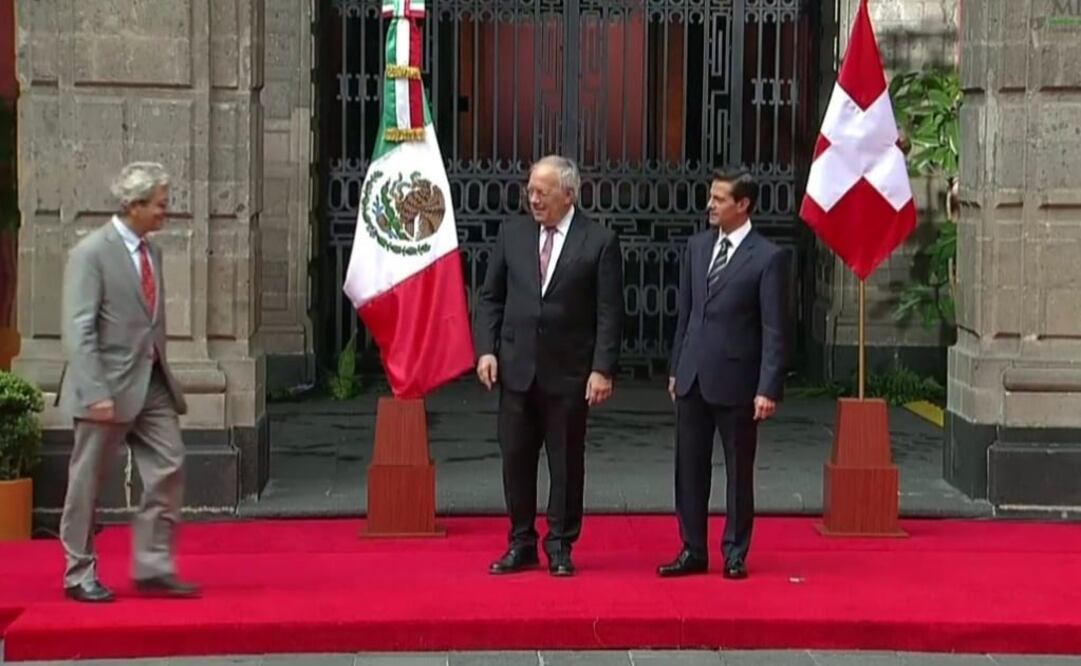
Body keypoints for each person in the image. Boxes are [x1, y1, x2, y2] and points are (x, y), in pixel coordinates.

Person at [474, 155, 623, 577]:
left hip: (569, 372)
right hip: (516, 369)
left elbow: (609, 312)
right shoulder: (513, 233)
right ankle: (520, 541)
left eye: (543, 192)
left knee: (565, 463)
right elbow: (491, 297)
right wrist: (486, 350)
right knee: (515, 459)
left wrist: (602, 369)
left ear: (569, 195)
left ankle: (560, 543)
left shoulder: (599, 241)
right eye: (530, 190)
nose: (534, 199)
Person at [57, 162, 198, 602]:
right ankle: (79, 573)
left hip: (152, 382)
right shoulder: (90, 254)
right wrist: (94, 390)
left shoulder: (152, 252)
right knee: (87, 483)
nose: (165, 212)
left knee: (169, 464)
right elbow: (78, 328)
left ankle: (153, 567)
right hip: (105, 387)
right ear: (134, 205)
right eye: (159, 205)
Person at [657, 168, 788, 580]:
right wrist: (677, 367)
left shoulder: (767, 257)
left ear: (743, 204)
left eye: (719, 199)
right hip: (693, 376)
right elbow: (686, 314)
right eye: (710, 197)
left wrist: (768, 387)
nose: (710, 205)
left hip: (738, 381)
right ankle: (692, 548)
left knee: (738, 472)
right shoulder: (697, 247)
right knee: (688, 468)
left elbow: (774, 328)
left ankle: (734, 551)